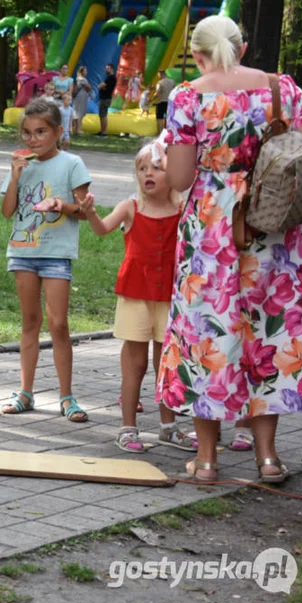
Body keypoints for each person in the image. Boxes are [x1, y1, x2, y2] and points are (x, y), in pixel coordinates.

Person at [157, 15, 302, 483]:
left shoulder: (188, 97)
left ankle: (206, 460)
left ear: (198, 53)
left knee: (210, 333)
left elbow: (180, 180)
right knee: (270, 334)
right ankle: (268, 457)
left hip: (213, 230)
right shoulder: (282, 88)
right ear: (241, 48)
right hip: (274, 228)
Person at [80, 144, 195, 453]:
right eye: (143, 168)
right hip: (135, 294)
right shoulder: (131, 207)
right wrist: (90, 213)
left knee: (166, 364)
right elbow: (103, 229)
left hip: (169, 295)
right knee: (135, 363)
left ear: (175, 174)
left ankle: (168, 427)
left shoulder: (182, 207)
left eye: (156, 168)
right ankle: (127, 427)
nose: (148, 173)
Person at [0, 98, 91, 422]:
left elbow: (84, 211)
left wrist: (60, 205)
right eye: (27, 133)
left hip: (56, 255)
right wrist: (13, 177)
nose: (33, 139)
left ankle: (67, 396)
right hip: (23, 254)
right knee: (30, 323)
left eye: (40, 132)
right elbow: (7, 211)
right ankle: (25, 392)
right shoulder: (21, 165)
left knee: (58, 324)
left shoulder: (72, 163)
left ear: (58, 132)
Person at [98, 63, 116, 136]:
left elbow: (100, 86)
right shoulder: (109, 77)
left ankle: (104, 131)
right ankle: (102, 130)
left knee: (103, 115)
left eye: (108, 68)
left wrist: (102, 86)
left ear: (111, 69)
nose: (106, 70)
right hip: (105, 98)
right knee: (102, 115)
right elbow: (102, 86)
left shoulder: (111, 78)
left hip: (106, 98)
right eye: (106, 68)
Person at [71, 66, 90, 135]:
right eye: (85, 71)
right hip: (81, 97)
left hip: (78, 97)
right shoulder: (82, 79)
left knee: (77, 112)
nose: (86, 72)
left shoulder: (78, 79)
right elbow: (89, 87)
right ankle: (79, 129)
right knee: (80, 112)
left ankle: (76, 128)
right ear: (82, 72)